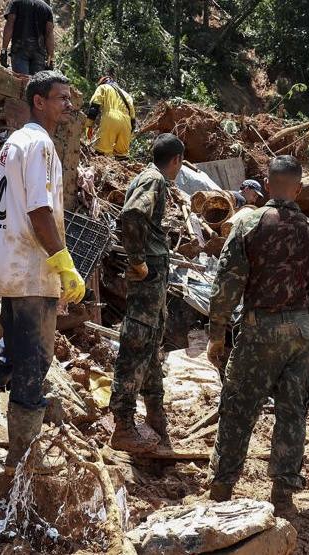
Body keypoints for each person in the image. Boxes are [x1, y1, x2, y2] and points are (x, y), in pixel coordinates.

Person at [0, 71, 86, 472]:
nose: (68, 105)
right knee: (35, 359)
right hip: (31, 267)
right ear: (39, 101)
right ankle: (22, 456)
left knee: (13, 346)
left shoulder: (14, 143)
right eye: (61, 98)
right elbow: (40, 209)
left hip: (9, 262)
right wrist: (63, 263)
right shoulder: (41, 145)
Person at [204, 155, 309, 515]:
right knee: (292, 412)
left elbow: (227, 281)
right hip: (300, 331)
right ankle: (283, 495)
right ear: (299, 189)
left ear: (267, 183)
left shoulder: (249, 224)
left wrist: (217, 332)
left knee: (239, 407)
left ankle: (222, 486)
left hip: (260, 330)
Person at [109, 133, 185, 453]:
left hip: (154, 278)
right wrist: (138, 261)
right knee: (137, 343)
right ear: (176, 161)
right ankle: (124, 425)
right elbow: (131, 214)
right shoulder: (154, 181)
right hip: (149, 276)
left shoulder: (148, 177)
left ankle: (155, 417)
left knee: (152, 344)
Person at [87, 72, 136, 157]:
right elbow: (133, 119)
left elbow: (94, 107)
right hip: (126, 123)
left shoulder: (103, 88)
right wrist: (129, 133)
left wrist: (89, 125)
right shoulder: (127, 95)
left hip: (110, 119)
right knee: (122, 156)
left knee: (101, 152)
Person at [1, 0, 54, 74]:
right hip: (39, 53)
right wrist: (50, 59)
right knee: (36, 83)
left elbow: (10, 25)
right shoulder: (47, 8)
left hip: (20, 49)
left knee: (21, 82)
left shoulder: (16, 2)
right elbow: (49, 35)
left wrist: (4, 50)